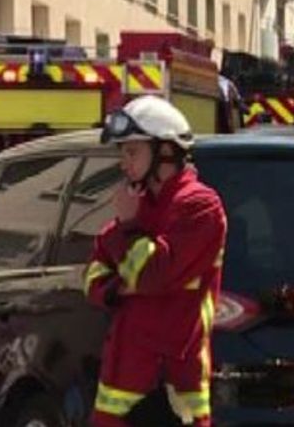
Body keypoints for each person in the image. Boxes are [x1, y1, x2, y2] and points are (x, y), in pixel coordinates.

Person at [84, 96, 228, 427]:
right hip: (121, 389)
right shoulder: (138, 205)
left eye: (132, 151)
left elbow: (152, 275)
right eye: (122, 153)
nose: (123, 162)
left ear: (165, 150)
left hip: (173, 391)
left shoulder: (200, 207)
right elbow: (93, 274)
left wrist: (130, 228)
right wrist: (118, 288)